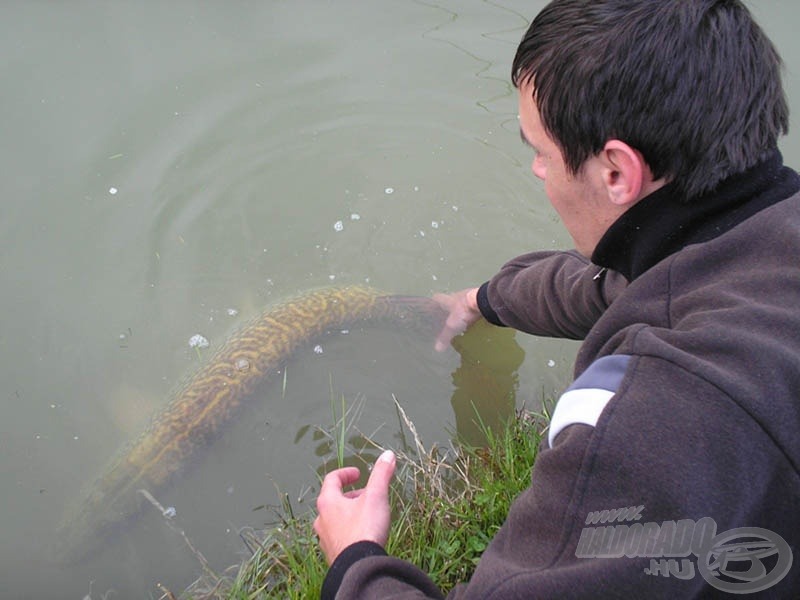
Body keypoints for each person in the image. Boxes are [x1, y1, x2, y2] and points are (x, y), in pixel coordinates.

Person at [314, 0, 800, 597]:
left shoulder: (644, 428)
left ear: (616, 171)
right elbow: (616, 289)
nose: (538, 172)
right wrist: (481, 300)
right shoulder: (758, 241)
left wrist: (356, 559)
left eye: (540, 152)